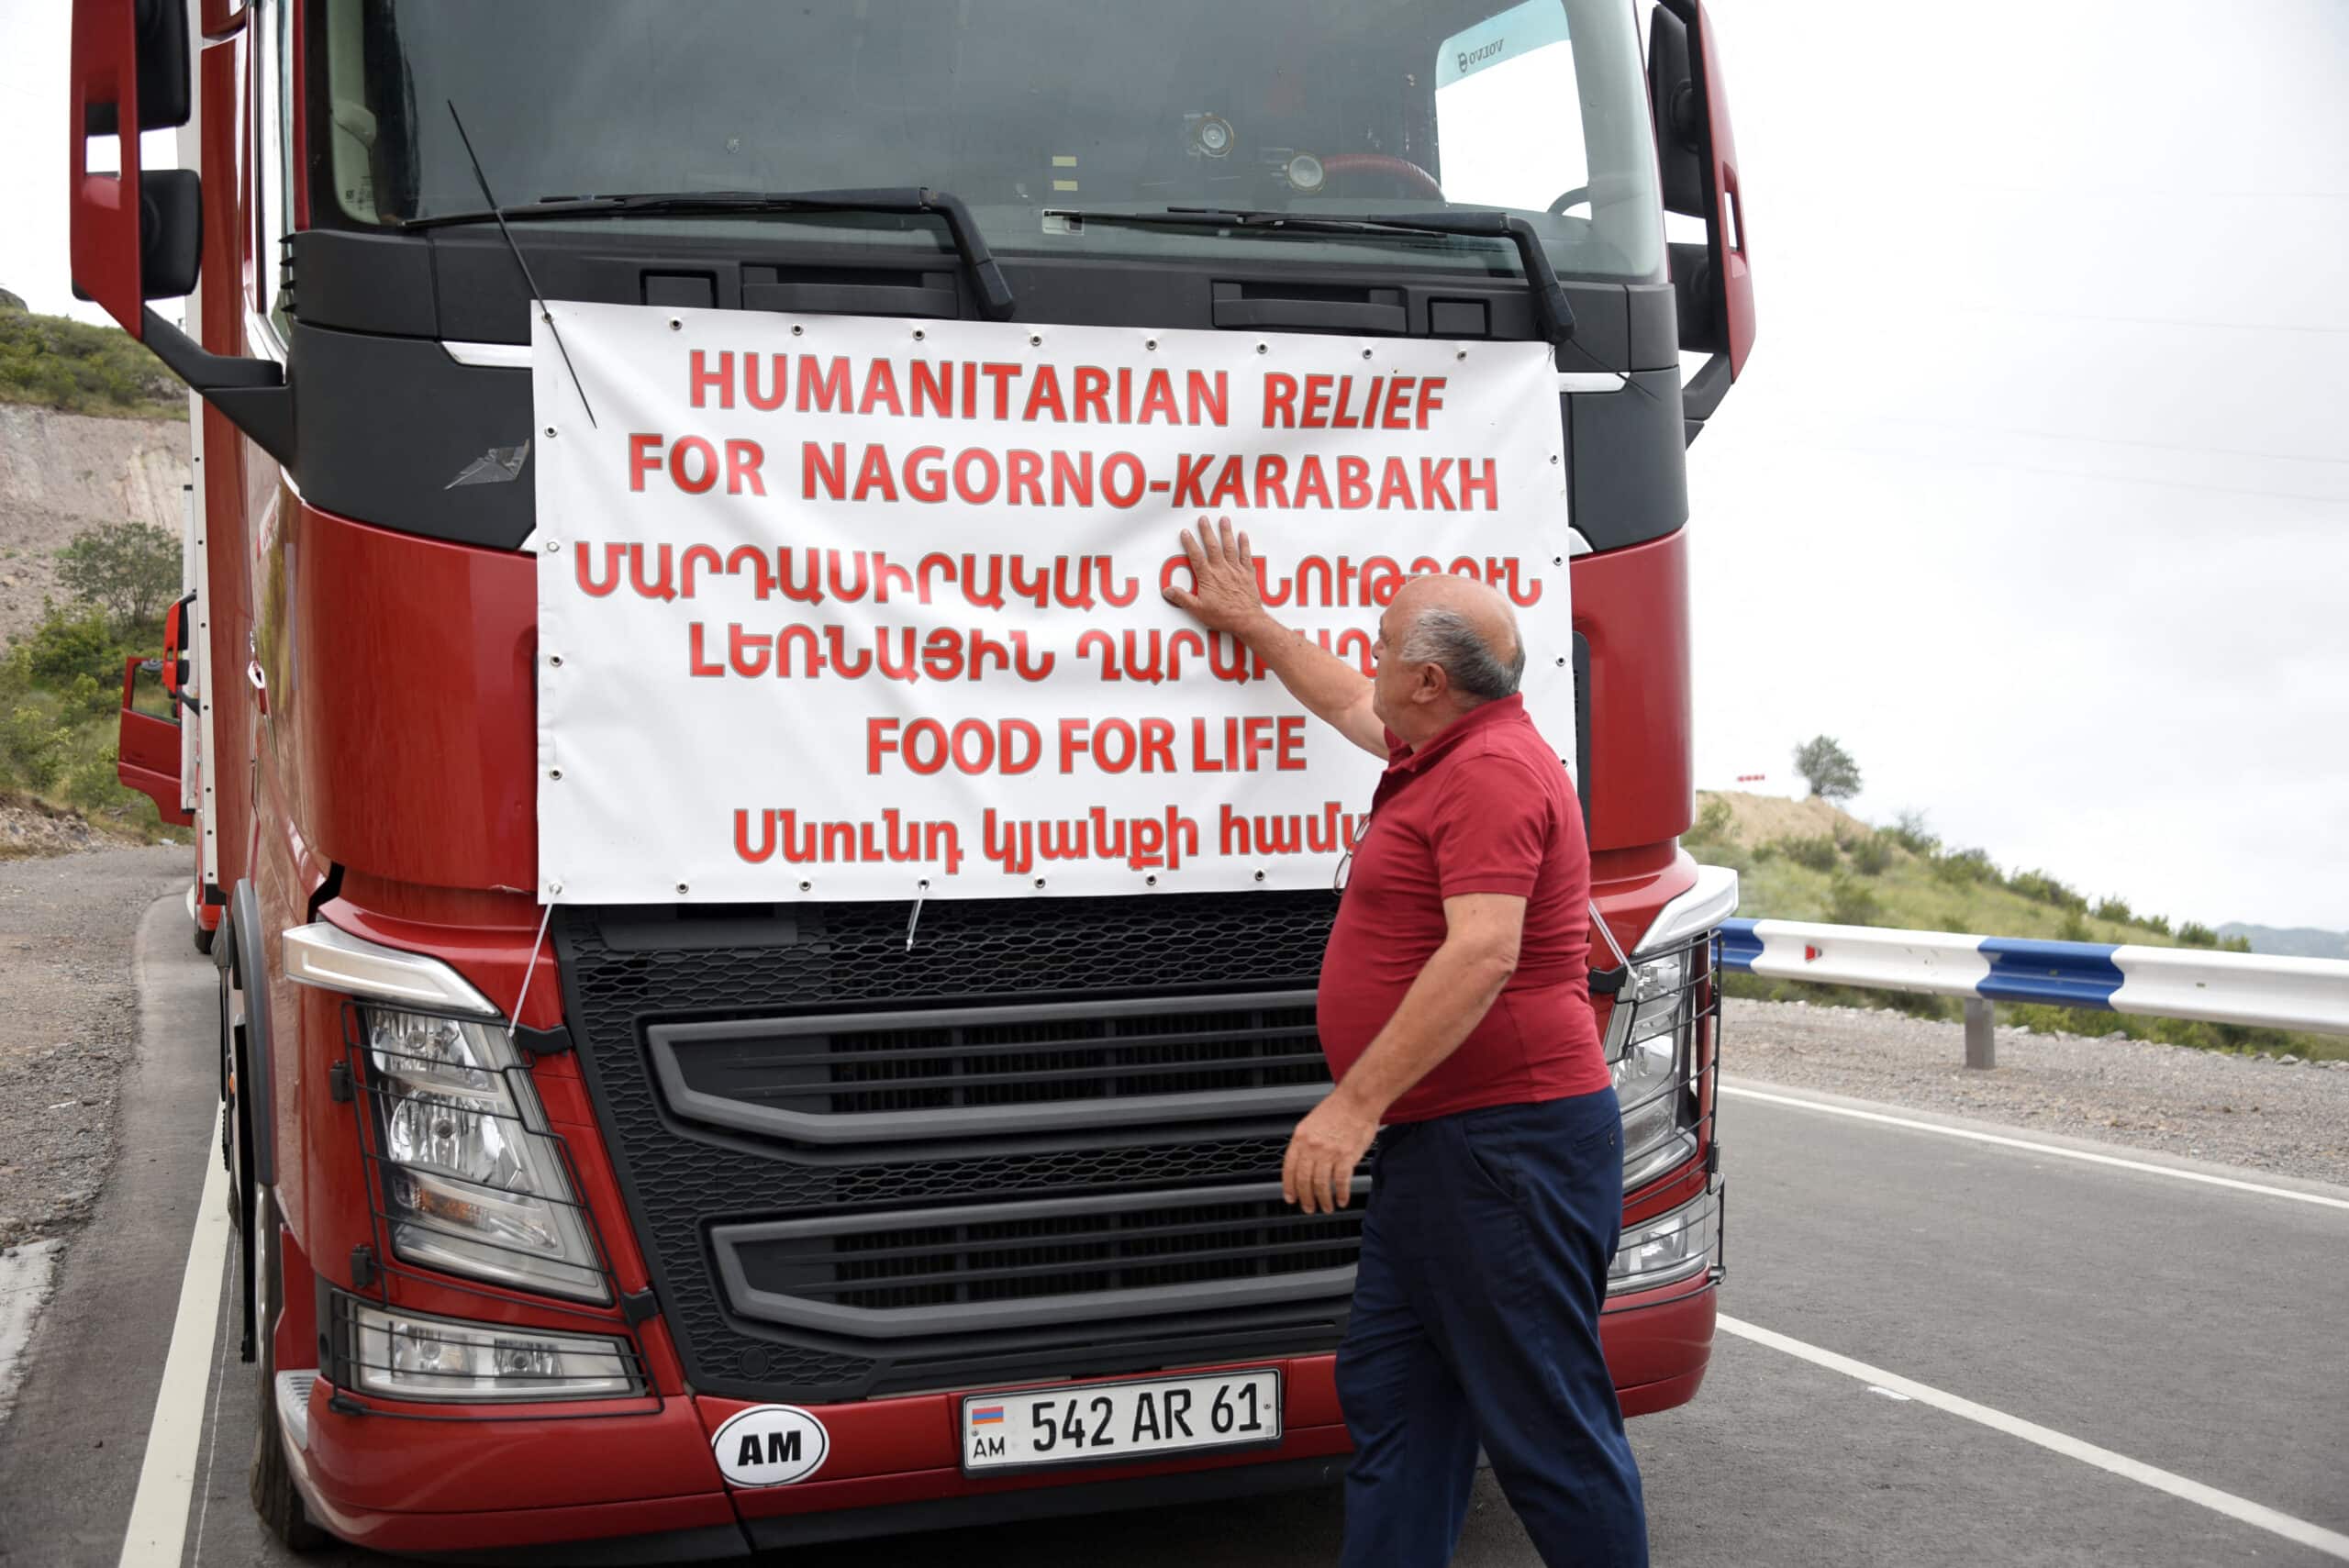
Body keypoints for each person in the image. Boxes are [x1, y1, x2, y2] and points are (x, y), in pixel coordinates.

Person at [1163, 517, 1648, 1568]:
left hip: (1507, 1152)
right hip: (1449, 1152)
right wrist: (1251, 622)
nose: (1368, 654)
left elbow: (1481, 953)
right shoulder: (1443, 739)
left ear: (1429, 678)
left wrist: (1353, 1104)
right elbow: (1345, 694)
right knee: (1399, 1408)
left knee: (1547, 1429)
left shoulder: (1490, 777)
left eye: (1384, 643)